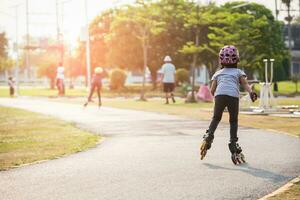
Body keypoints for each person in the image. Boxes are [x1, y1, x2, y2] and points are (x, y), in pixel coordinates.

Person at [200, 45, 257, 165]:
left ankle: (208, 136)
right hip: (232, 96)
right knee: (233, 121)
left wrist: (216, 99)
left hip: (220, 95)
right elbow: (245, 84)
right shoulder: (238, 72)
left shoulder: (218, 73)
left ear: (221, 59)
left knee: (216, 118)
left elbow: (212, 90)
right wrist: (251, 92)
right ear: (237, 59)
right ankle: (233, 143)